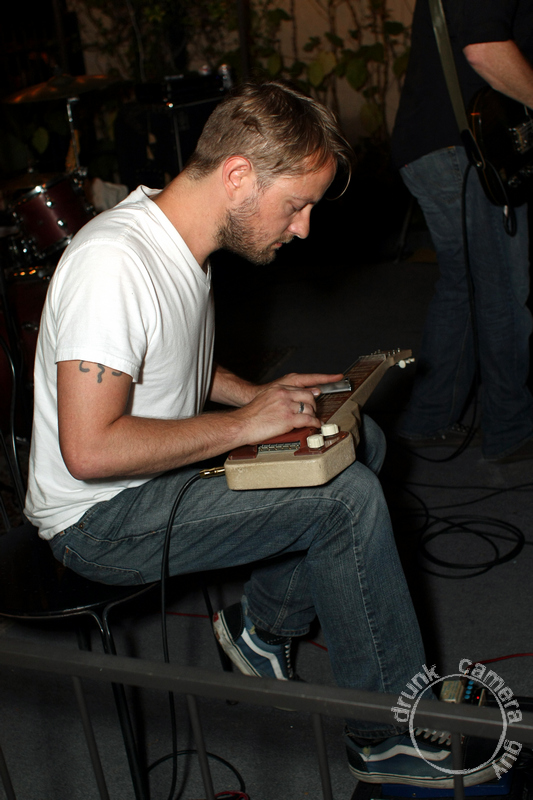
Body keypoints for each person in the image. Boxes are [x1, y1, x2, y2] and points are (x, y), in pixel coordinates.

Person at [25, 80, 501, 786]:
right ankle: (384, 734)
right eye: (296, 204)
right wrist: (244, 425)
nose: (303, 227)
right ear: (239, 175)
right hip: (98, 520)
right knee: (345, 501)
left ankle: (262, 631)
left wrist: (255, 394)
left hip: (150, 480)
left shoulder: (172, 240)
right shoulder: (113, 264)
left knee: (357, 439)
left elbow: (160, 356)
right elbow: (89, 450)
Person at [391, 0, 533, 463]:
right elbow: (485, 49)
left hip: (443, 145)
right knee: (502, 291)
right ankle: (510, 429)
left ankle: (429, 416)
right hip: (466, 149)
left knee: (465, 286)